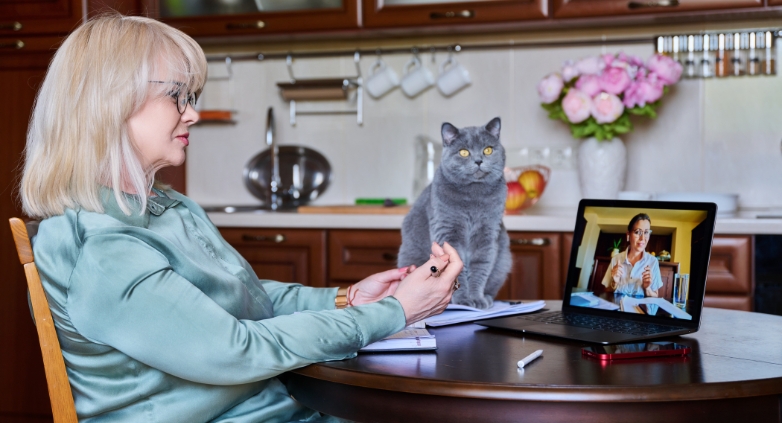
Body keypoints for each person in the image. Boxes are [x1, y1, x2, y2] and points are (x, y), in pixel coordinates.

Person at [20, 15, 462, 422]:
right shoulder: (104, 250)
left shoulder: (166, 206)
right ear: (110, 103)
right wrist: (394, 312)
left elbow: (238, 298)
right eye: (177, 96)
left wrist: (347, 299)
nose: (191, 112)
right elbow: (235, 349)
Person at [600, 213, 663, 298]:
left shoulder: (653, 262)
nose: (643, 238)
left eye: (646, 232)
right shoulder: (616, 259)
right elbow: (605, 291)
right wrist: (614, 282)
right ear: (628, 235)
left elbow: (655, 296)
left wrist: (647, 288)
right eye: (637, 232)